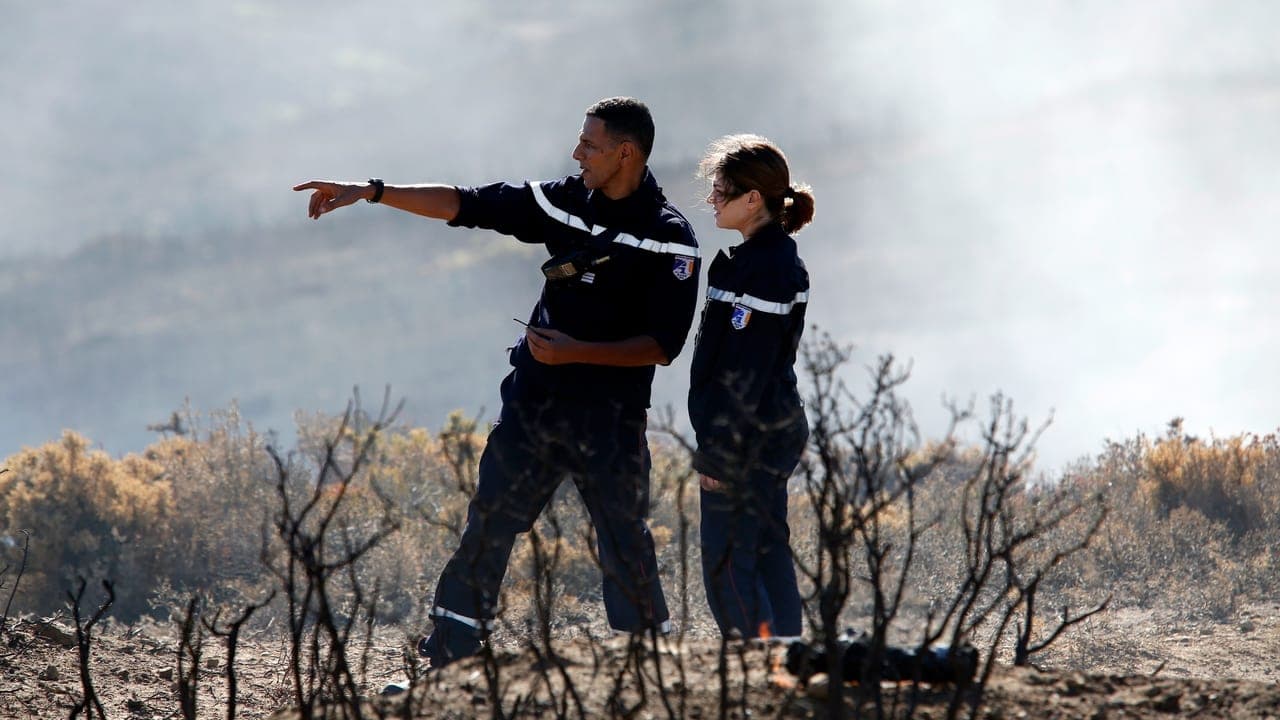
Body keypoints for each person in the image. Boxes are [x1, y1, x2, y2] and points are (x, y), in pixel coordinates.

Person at [293, 97, 700, 670]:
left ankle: (647, 662)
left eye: (589, 145)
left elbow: (662, 346)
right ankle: (452, 655)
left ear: (625, 152)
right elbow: (466, 203)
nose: (576, 153)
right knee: (489, 524)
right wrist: (373, 191)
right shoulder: (563, 201)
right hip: (533, 405)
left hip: (610, 422)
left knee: (623, 538)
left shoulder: (670, 239)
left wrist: (577, 354)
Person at [687, 134, 814, 641]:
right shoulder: (755, 260)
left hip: (748, 437)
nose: (712, 199)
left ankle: (758, 666)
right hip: (765, 429)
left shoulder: (770, 268)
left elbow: (749, 370)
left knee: (726, 561)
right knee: (764, 549)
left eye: (720, 190)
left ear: (752, 198)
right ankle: (787, 659)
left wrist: (720, 452)